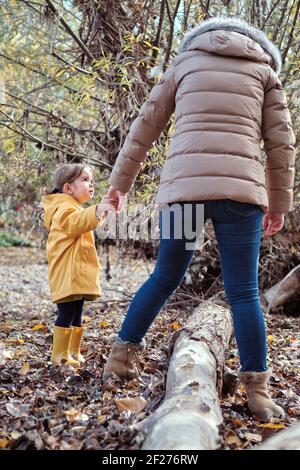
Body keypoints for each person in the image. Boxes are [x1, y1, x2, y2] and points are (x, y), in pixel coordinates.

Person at [102, 17, 295, 421]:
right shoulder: (264, 72)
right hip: (238, 197)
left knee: (164, 276)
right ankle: (257, 393)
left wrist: (120, 184)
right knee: (242, 292)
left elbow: (145, 125)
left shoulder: (185, 63)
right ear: (257, 44)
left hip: (184, 197)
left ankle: (119, 361)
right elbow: (281, 146)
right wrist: (279, 204)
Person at [42, 163, 115, 367]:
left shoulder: (75, 208)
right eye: (85, 180)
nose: (90, 185)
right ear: (68, 188)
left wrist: (104, 207)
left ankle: (73, 352)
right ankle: (60, 355)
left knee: (78, 311)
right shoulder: (62, 208)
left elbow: (85, 220)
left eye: (91, 181)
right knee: (66, 313)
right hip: (67, 273)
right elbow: (77, 223)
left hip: (77, 273)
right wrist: (98, 209)